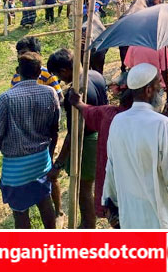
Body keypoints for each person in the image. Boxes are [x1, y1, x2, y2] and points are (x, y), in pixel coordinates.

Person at [102, 64, 168, 229]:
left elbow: (111, 168)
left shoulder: (117, 122)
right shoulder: (161, 123)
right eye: (159, 85)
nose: (161, 90)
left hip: (131, 215)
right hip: (159, 216)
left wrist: (111, 203)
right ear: (149, 91)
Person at [0, 52, 59, 229]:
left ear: (18, 71)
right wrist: (49, 155)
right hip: (41, 160)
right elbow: (54, 130)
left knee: (20, 212)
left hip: (16, 168)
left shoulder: (6, 98)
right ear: (40, 73)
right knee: (45, 201)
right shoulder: (50, 93)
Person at [47, 49, 108, 229]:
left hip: (88, 141)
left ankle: (88, 226)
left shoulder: (75, 95)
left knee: (84, 188)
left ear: (64, 70)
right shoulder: (96, 75)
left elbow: (75, 133)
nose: (58, 79)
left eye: (58, 74)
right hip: (104, 133)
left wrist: (58, 164)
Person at [66, 76, 131, 226]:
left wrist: (78, 103)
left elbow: (89, 110)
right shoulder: (149, 122)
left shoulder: (108, 115)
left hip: (115, 186)